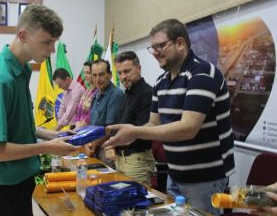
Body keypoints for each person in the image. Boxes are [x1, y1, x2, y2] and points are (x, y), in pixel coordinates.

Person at [103, 19, 235, 216]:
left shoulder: (202, 74)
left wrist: (136, 131)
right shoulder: (162, 82)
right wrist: (130, 135)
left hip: (204, 178)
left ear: (180, 43)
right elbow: (153, 123)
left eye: (160, 46)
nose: (155, 52)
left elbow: (188, 128)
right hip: (175, 174)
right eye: (152, 48)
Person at [0, 4, 79, 216]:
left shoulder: (22, 69)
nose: (52, 50)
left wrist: (55, 135)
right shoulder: (0, 80)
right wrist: (48, 146)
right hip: (2, 181)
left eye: (54, 42)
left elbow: (20, 124)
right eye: (46, 42)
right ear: (23, 35)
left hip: (19, 176)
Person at [113, 51, 155, 187]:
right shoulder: (127, 94)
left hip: (136, 160)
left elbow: (143, 133)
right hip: (121, 159)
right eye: (119, 73)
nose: (123, 77)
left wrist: (113, 142)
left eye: (127, 71)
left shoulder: (148, 93)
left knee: (135, 207)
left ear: (139, 69)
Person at [87, 59, 124, 168]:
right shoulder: (97, 94)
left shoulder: (116, 95)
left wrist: (93, 144)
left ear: (110, 74)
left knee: (106, 181)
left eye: (101, 74)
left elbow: (110, 129)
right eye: (94, 75)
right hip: (94, 147)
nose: (97, 79)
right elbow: (92, 124)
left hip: (107, 149)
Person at [73, 61, 98, 129]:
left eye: (88, 73)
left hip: (89, 130)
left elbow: (91, 114)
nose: (85, 76)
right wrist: (77, 126)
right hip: (79, 129)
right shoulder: (86, 91)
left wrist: (79, 128)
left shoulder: (98, 92)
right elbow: (78, 111)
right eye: (84, 73)